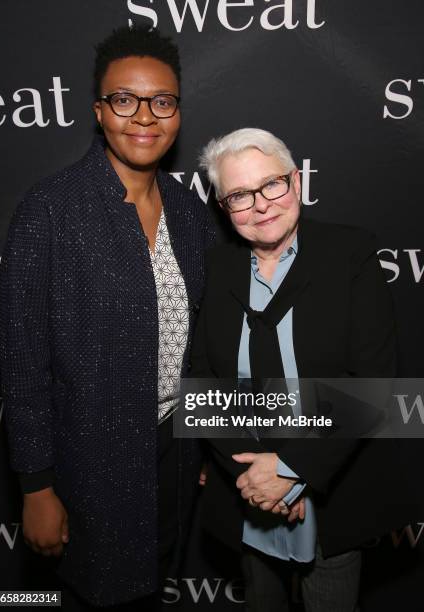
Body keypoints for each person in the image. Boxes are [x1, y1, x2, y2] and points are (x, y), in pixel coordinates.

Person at [0, 26, 214, 609]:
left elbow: (201, 341)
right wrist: (37, 485)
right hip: (86, 463)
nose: (144, 116)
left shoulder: (190, 211)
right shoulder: (50, 209)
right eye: (124, 99)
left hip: (173, 451)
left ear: (177, 111)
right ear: (100, 111)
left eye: (161, 101)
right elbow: (23, 362)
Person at [191, 128, 419, 611]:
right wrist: (257, 478)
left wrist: (294, 471)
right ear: (223, 206)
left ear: (295, 181)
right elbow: (201, 379)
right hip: (247, 488)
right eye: (239, 195)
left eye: (271, 184)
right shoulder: (217, 265)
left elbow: (373, 381)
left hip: (334, 483)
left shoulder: (351, 253)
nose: (260, 205)